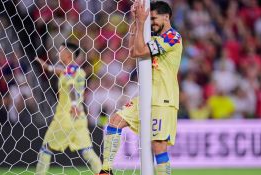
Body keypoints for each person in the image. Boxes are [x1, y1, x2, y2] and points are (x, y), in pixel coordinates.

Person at [98, 1, 182, 175]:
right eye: (150, 19)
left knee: (158, 146)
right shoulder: (153, 36)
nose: (151, 23)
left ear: (167, 16)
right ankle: (106, 170)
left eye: (154, 18)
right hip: (146, 96)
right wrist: (135, 20)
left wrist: (142, 22)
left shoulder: (173, 37)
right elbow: (132, 50)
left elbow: (138, 51)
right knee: (114, 121)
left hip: (163, 99)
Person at [35, 42, 102, 175]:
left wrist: (72, 104)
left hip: (65, 117)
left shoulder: (70, 71)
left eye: (60, 50)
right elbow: (60, 70)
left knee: (46, 149)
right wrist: (47, 67)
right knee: (88, 151)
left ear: (68, 54)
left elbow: (71, 87)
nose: (57, 53)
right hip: (80, 117)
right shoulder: (77, 70)